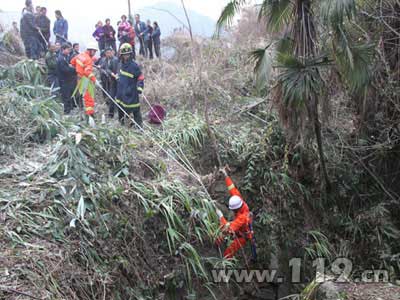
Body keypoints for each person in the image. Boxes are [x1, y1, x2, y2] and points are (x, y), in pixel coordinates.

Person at [215, 167, 254, 259]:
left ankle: (225, 263)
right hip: (238, 227)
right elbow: (232, 188)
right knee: (221, 232)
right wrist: (226, 176)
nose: (232, 211)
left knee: (229, 251)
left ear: (237, 209)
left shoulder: (242, 218)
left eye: (233, 210)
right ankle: (216, 243)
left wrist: (220, 216)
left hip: (243, 236)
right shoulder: (238, 199)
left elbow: (229, 229)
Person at [115, 43, 144, 127]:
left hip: (131, 91)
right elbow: (119, 73)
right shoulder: (120, 64)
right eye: (124, 54)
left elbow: (140, 77)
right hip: (121, 91)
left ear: (131, 54)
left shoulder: (134, 66)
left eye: (128, 54)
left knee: (135, 109)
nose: (126, 56)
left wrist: (139, 87)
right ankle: (122, 123)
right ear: (121, 55)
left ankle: (139, 126)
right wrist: (118, 78)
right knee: (120, 107)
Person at [71, 43, 98, 117]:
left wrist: (79, 69)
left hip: (79, 78)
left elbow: (72, 62)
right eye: (94, 51)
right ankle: (90, 115)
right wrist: (95, 80)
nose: (94, 53)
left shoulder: (80, 55)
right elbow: (87, 72)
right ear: (90, 50)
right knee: (89, 97)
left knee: (84, 96)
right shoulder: (88, 59)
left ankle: (83, 112)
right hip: (85, 80)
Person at [57, 44, 77, 114]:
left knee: (70, 94)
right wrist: (74, 69)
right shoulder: (61, 58)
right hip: (64, 80)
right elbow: (65, 69)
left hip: (68, 80)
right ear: (63, 49)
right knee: (66, 96)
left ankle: (70, 109)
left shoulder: (66, 57)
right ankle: (67, 111)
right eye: (68, 50)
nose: (69, 51)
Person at [99, 48, 119, 118]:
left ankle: (119, 112)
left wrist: (115, 74)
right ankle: (111, 114)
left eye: (110, 53)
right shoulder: (105, 60)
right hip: (111, 81)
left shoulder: (115, 60)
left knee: (118, 97)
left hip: (117, 81)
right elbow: (106, 68)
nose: (108, 54)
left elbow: (118, 69)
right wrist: (110, 73)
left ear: (112, 52)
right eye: (107, 53)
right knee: (111, 97)